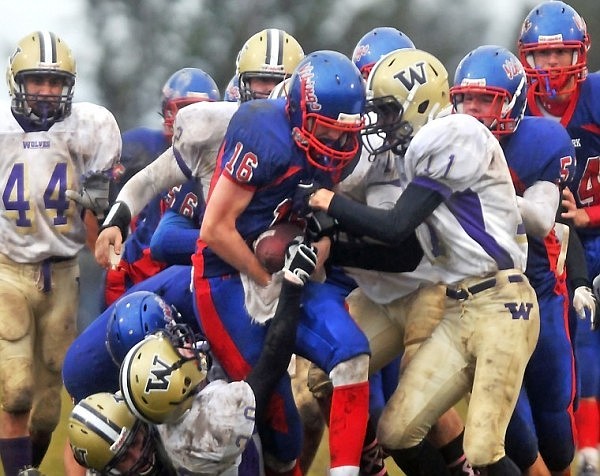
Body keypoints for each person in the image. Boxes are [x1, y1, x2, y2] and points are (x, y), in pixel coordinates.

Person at [307, 47, 540, 474]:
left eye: (390, 111)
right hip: (454, 305)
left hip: (503, 303)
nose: (383, 122)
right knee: (397, 433)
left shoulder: (455, 132)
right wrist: (332, 246)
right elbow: (405, 249)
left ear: (421, 101)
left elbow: (396, 224)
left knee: (486, 447)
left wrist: (328, 203)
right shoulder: (410, 152)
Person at [191, 50, 371, 476]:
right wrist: (265, 279)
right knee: (272, 419)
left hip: (290, 271)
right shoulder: (263, 131)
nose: (338, 146)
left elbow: (324, 228)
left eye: (346, 136)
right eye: (327, 132)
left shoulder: (334, 150)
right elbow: (214, 229)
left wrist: (311, 260)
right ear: (298, 113)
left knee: (352, 355)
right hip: (227, 276)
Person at [451, 43, 595, 475]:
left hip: (539, 293)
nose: (473, 110)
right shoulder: (446, 141)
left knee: (556, 430)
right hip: (478, 300)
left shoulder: (540, 141)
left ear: (511, 102)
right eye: (466, 98)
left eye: (486, 99)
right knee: (513, 430)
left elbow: (538, 218)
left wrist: (486, 189)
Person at [67, 239, 317, 475]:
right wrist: (293, 285)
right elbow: (271, 364)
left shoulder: (149, 404)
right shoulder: (206, 426)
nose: (138, 457)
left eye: (134, 443)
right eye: (124, 458)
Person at [0, 31, 121, 476]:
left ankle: (28, 466)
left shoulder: (87, 128)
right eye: (38, 82)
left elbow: (96, 211)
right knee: (15, 391)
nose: (47, 92)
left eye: (56, 83)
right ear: (18, 82)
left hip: (63, 271)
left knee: (49, 408)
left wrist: (105, 252)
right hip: (7, 269)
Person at [517, 2, 600, 473]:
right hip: (543, 242)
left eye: (562, 54)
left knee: (585, 324)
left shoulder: (596, 97)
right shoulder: (515, 105)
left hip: (595, 232)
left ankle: (588, 445)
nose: (551, 65)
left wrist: (589, 215)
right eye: (541, 55)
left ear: (580, 54)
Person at [104, 67, 220, 306]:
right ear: (168, 112)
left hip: (193, 266)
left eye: (199, 110)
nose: (191, 119)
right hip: (139, 264)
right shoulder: (141, 148)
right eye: (184, 109)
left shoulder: (222, 158)